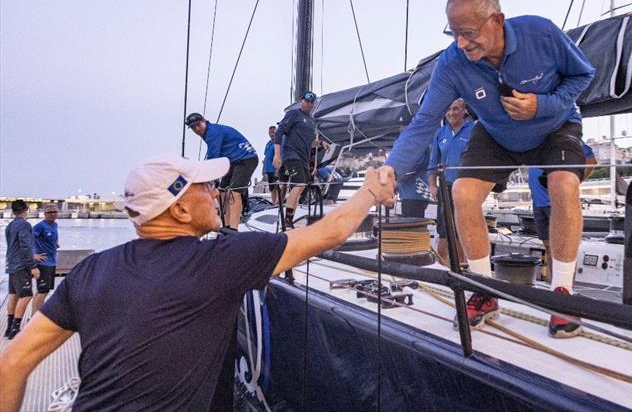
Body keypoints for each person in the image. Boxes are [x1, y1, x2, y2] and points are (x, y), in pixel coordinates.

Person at [0, 154, 395, 410]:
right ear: (181, 209)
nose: (216, 192)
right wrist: (369, 193)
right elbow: (328, 233)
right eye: (205, 186)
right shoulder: (219, 261)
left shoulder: (90, 271)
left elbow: (11, 364)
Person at [380, 0, 595, 337]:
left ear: (497, 20)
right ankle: (484, 289)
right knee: (462, 192)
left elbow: (583, 74)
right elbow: (423, 124)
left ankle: (562, 294)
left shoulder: (540, 33)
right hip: (496, 132)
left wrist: (543, 105)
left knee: (563, 184)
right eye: (454, 34)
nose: (461, 44)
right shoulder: (451, 64)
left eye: (468, 33)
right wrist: (389, 171)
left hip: (554, 124)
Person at [529, 143, 597, 280]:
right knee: (548, 247)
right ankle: (555, 285)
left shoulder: (562, 136)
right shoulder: (535, 138)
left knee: (564, 249)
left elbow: (591, 160)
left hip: (558, 202)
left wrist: (574, 182)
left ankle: (566, 288)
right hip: (538, 202)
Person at [185, 112, 258, 229]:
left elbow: (213, 159)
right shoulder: (208, 132)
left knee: (234, 193)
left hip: (246, 159)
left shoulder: (212, 132)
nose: (197, 129)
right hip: (232, 161)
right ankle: (227, 225)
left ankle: (234, 228)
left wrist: (207, 179)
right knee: (222, 192)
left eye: (198, 125)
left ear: (204, 121)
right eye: (193, 127)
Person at [428, 98, 473, 263]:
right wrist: (432, 185)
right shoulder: (440, 134)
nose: (451, 113)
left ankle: (463, 268)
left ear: (464, 111)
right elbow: (433, 162)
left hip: (466, 187)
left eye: (455, 109)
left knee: (462, 230)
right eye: (448, 110)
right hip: (445, 187)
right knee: (444, 231)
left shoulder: (473, 130)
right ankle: (441, 268)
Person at [274, 91, 326, 228]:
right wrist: (277, 155)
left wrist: (320, 143)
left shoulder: (311, 121)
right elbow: (280, 132)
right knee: (299, 185)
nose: (309, 104)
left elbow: (310, 141)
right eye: (306, 101)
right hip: (291, 154)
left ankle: (289, 219)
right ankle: (287, 221)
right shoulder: (293, 114)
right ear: (301, 101)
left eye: (311, 102)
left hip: (303, 158)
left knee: (300, 187)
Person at [4, 200, 39, 340]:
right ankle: (15, 329)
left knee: (13, 294)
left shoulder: (10, 225)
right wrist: (33, 266)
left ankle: (9, 326)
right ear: (26, 209)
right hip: (21, 265)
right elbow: (25, 246)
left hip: (11, 264)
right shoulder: (25, 225)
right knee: (26, 295)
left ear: (13, 211)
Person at [31, 203, 60, 314]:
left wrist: (56, 244)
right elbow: (28, 240)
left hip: (52, 261)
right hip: (43, 262)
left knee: (43, 291)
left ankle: (34, 316)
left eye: (55, 212)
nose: (53, 214)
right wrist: (33, 255)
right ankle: (35, 317)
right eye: (50, 212)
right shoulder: (40, 226)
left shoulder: (55, 225)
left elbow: (53, 237)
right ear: (45, 214)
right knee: (43, 291)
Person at [263, 125, 280, 205]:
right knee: (272, 188)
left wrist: (278, 169)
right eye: (270, 132)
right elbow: (266, 155)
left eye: (273, 132)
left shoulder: (277, 143)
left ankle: (277, 203)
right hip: (268, 169)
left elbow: (280, 155)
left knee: (277, 187)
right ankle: (274, 203)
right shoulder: (268, 143)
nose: (271, 134)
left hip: (275, 169)